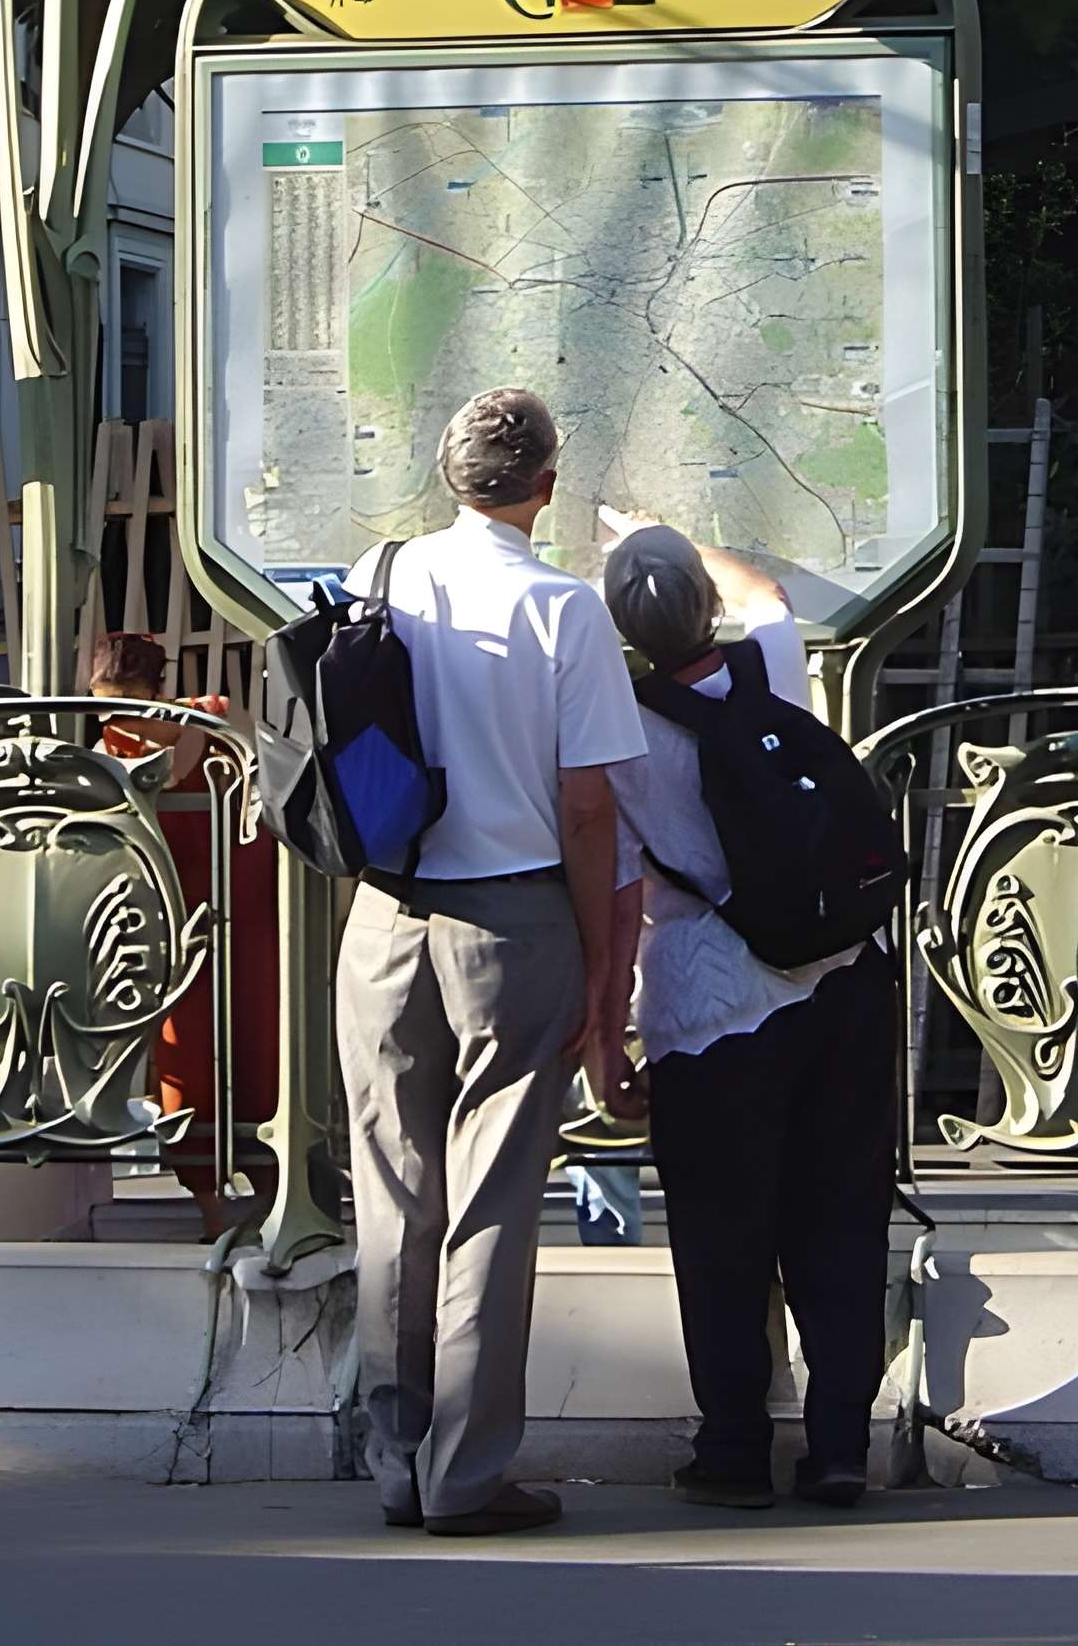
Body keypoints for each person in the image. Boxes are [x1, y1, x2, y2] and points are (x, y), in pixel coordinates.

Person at [335, 389, 644, 1535]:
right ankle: (467, 1473)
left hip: (382, 913)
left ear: (446, 473)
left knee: (394, 1193)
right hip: (511, 921)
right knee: (492, 1202)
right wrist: (603, 978)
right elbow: (586, 807)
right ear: (546, 485)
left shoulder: (382, 572)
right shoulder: (563, 609)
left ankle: (394, 1456)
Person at [599, 524, 897, 1514]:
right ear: (702, 608)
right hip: (836, 980)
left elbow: (619, 883)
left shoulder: (618, 724)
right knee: (840, 1215)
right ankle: (840, 1445)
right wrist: (669, 531)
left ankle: (731, 1446)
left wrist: (607, 1030)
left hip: (705, 1002)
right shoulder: (767, 668)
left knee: (721, 1232)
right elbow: (767, 591)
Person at [88, 630, 277, 1240]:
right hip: (173, 924)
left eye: (130, 697)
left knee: (260, 1047)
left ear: (157, 691)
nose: (121, 714)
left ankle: (271, 1195)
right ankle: (213, 1213)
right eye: (108, 700)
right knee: (183, 1060)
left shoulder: (215, 731)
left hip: (242, 912)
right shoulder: (110, 752)